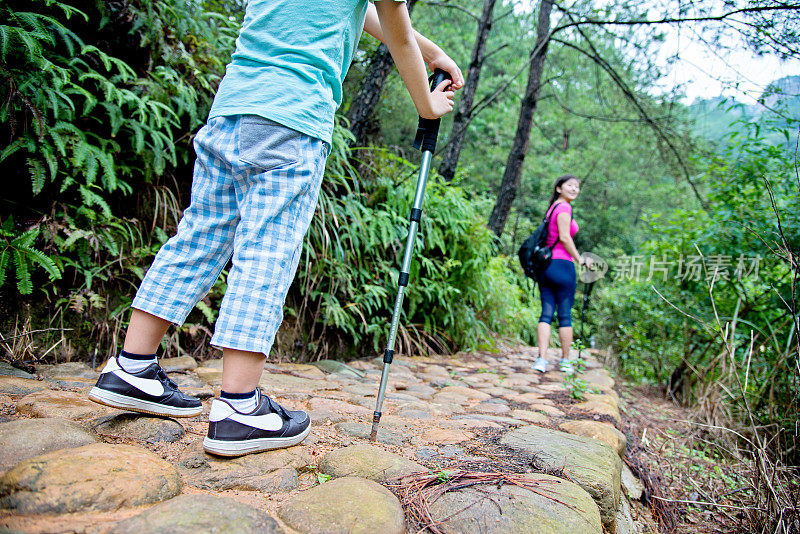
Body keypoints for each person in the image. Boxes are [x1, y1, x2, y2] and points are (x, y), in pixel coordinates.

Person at [88, 0, 463, 457]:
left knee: (198, 237)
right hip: (292, 119)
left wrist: (434, 52)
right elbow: (395, 28)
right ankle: (240, 407)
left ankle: (131, 367)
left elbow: (362, 13)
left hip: (231, 111)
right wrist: (426, 101)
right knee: (266, 251)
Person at [532, 175, 592, 375]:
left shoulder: (552, 208)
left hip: (546, 266)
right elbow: (565, 238)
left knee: (546, 314)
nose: (574, 189)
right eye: (570, 186)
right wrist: (580, 259)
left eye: (577, 186)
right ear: (559, 188)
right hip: (563, 266)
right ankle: (566, 361)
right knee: (565, 315)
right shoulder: (565, 208)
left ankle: (541, 359)